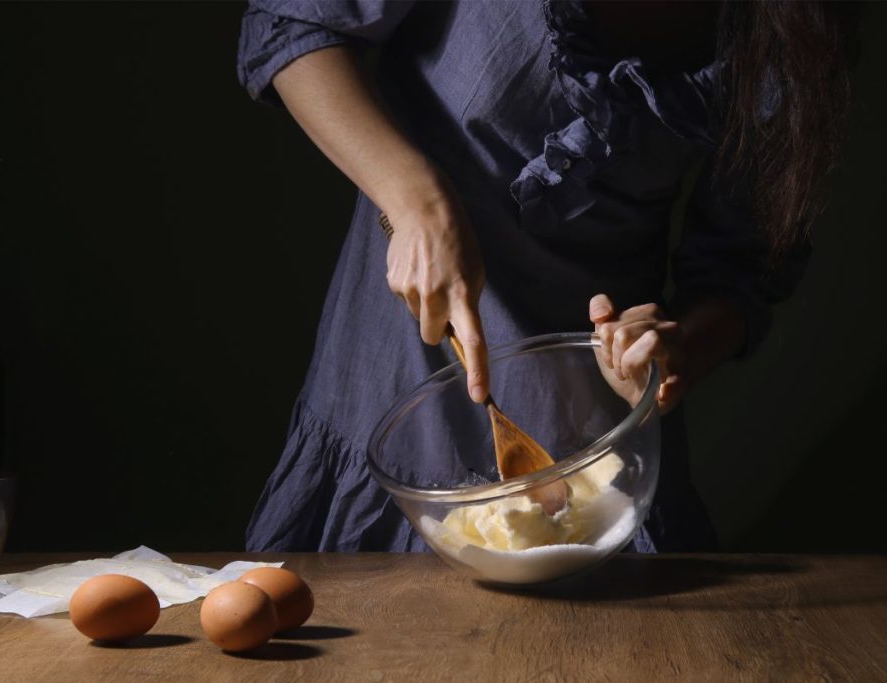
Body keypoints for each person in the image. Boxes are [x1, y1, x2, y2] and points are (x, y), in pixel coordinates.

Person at [236, 0, 853, 552]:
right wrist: (412, 198)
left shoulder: (797, 28)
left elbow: (743, 266)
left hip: (600, 450)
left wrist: (676, 346)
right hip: (394, 382)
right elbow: (291, 22)